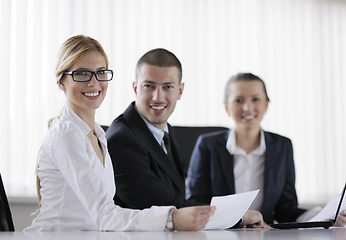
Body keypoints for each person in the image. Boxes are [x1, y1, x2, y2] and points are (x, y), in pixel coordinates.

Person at [24, 35, 216, 231]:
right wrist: (171, 219)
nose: (93, 82)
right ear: (61, 82)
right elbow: (105, 215)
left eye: (100, 72)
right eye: (82, 74)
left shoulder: (97, 135)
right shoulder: (66, 135)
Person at [106, 50, 266, 228]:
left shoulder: (166, 131)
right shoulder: (121, 140)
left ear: (180, 91)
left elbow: (177, 198)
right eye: (149, 86)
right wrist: (237, 217)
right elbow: (165, 207)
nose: (158, 96)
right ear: (136, 88)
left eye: (168, 87)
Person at [187, 72, 346, 226]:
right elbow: (195, 202)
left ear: (266, 104)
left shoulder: (282, 146)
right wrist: (240, 218)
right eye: (238, 100)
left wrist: (326, 217)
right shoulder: (207, 145)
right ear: (227, 107)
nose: (247, 107)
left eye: (255, 99)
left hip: (264, 234)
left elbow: (286, 209)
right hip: (219, 234)